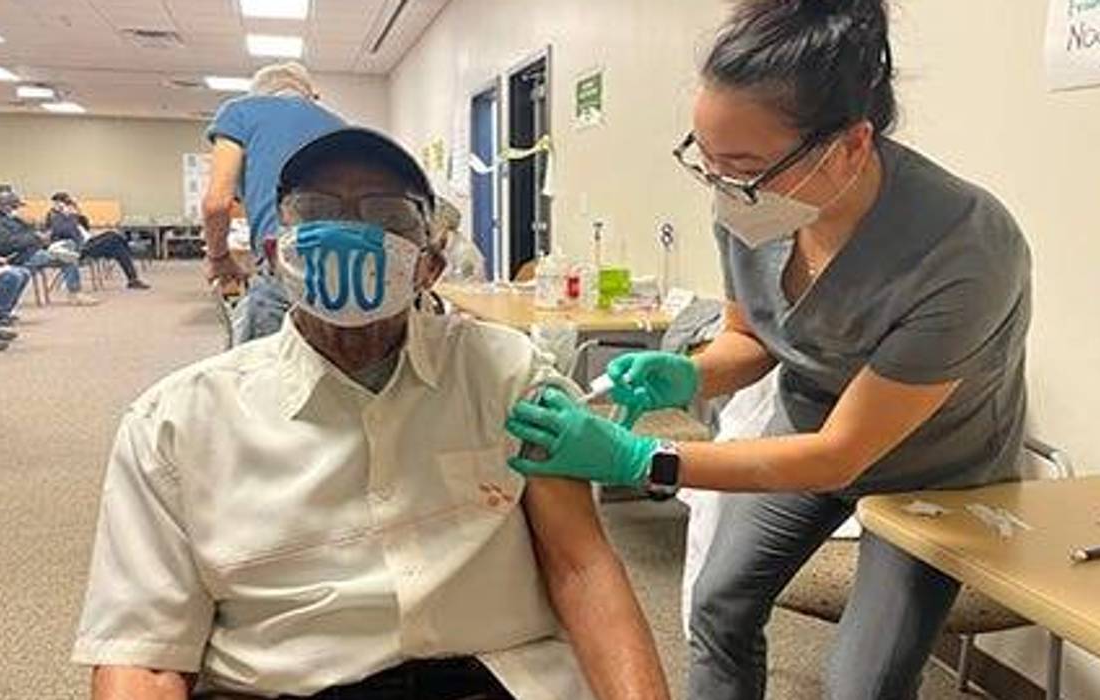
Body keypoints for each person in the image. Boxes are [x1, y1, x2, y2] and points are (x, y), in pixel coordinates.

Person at [503, 1, 1033, 699]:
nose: (723, 188)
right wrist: (685, 373)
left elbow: (841, 454)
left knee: (862, 682)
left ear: (849, 145)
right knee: (717, 606)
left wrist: (640, 459)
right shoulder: (753, 199)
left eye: (743, 167)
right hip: (809, 421)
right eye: (707, 161)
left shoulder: (965, 247)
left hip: (931, 470)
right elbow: (752, 338)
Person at [73, 126, 669, 700]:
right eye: (319, 211)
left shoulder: (507, 373)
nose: (349, 235)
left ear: (429, 265)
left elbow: (583, 569)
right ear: (278, 256)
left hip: (493, 679)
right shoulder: (175, 424)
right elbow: (143, 657)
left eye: (386, 217)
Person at [201, 61, 346, 344]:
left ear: (257, 94)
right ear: (310, 96)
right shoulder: (339, 124)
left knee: (262, 375)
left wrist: (219, 258)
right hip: (345, 265)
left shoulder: (241, 111)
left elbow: (217, 203)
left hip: (286, 259)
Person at [0, 187, 97, 306]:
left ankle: (74, 291)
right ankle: (75, 294)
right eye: (16, 207)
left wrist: (34, 231)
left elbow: (25, 234)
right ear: (6, 207)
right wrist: (36, 238)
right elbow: (7, 245)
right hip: (18, 257)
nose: (18, 210)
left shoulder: (6, 219)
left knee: (68, 255)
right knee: (69, 258)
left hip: (29, 252)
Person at [45, 192, 150, 290]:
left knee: (117, 246)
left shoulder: (71, 215)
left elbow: (85, 226)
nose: (67, 205)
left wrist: (77, 214)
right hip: (78, 249)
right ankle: (130, 257)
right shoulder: (55, 217)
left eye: (68, 203)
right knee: (113, 236)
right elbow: (67, 232)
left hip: (88, 242)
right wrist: (69, 216)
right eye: (62, 203)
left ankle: (132, 279)